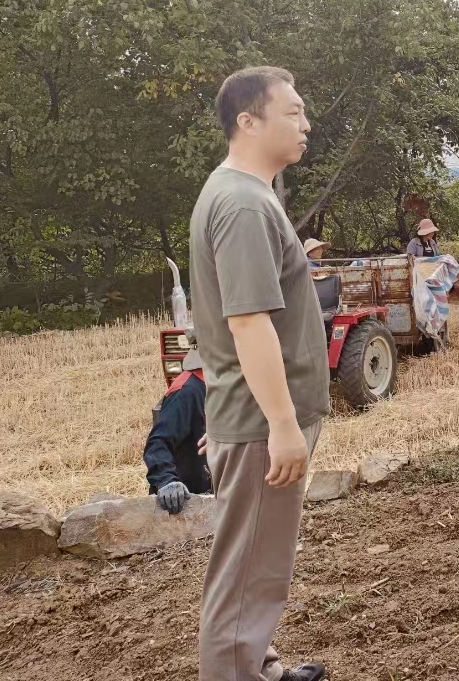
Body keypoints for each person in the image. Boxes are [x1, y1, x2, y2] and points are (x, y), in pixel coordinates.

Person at [190, 65, 329, 681]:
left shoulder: (244, 193)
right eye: (293, 111)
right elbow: (247, 324)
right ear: (248, 121)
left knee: (257, 561)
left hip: (245, 420)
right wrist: (277, 423)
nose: (306, 123)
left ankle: (259, 666)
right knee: (248, 572)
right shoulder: (244, 203)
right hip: (259, 422)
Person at [144, 349, 211, 513]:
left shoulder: (219, 383)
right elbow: (158, 443)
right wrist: (166, 481)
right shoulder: (187, 391)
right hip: (188, 501)